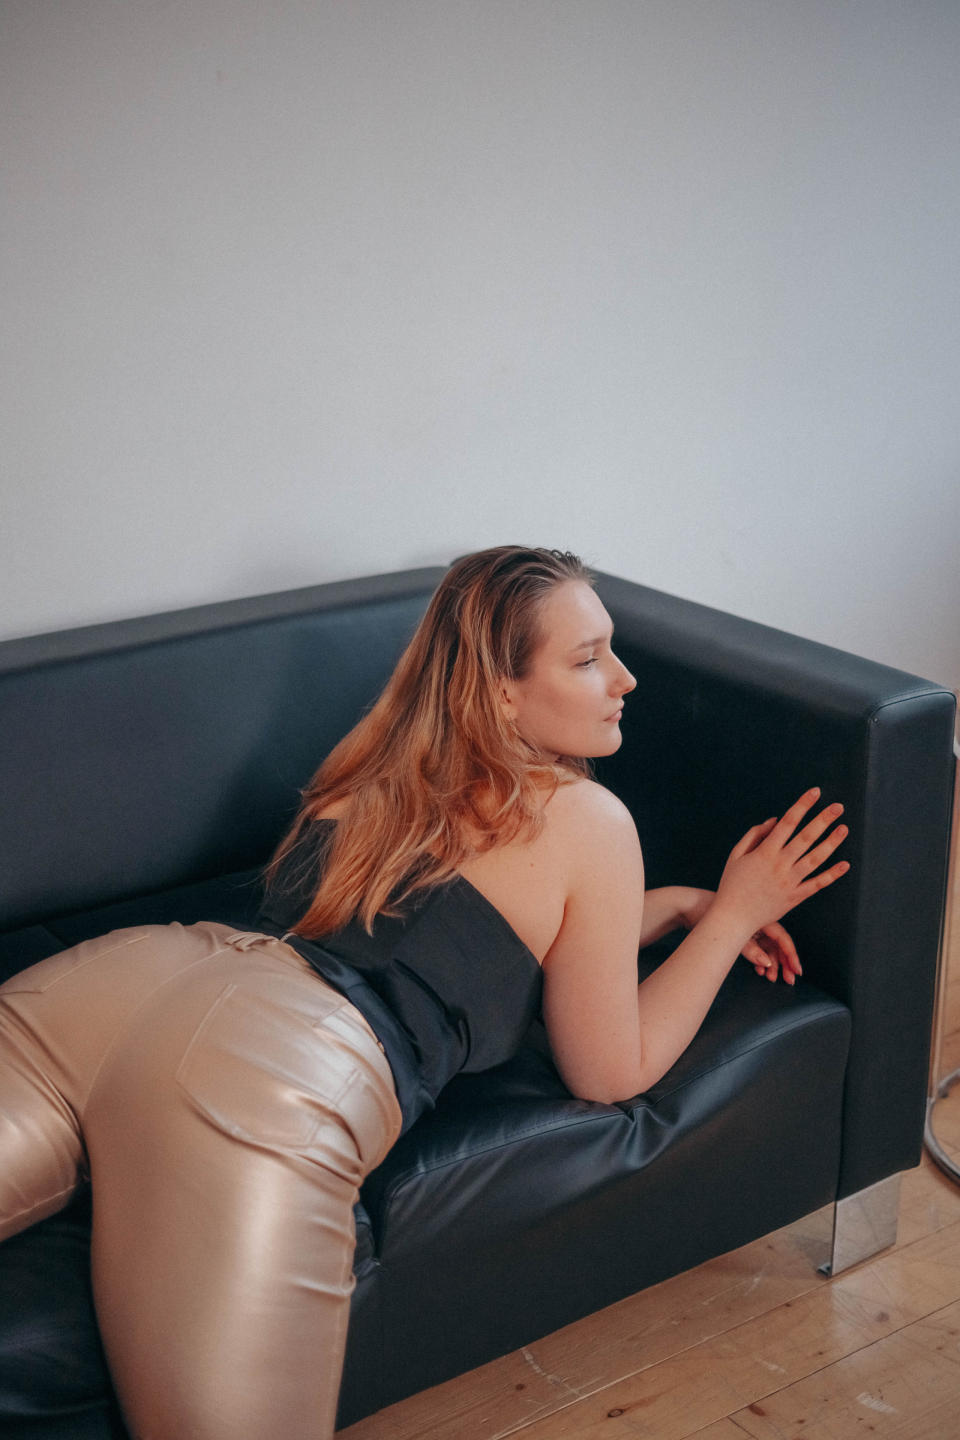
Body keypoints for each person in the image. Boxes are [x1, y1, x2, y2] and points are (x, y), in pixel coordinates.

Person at [0, 545, 849, 1440]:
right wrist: (734, 914)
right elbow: (610, 1070)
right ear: (502, 693)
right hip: (268, 1072)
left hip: (130, 979)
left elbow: (441, 930)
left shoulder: (377, 757)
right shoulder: (588, 819)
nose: (625, 678)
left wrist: (671, 907)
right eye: (588, 658)